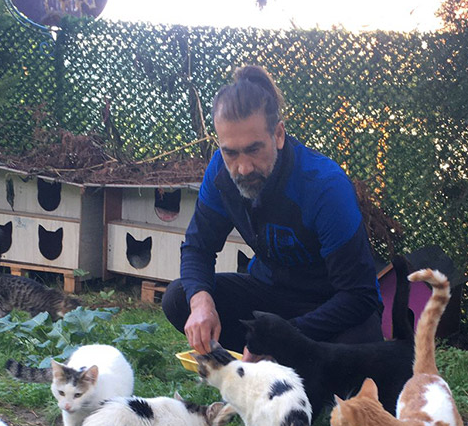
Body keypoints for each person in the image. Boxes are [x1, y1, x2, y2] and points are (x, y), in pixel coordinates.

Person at [162, 65, 383, 358]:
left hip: (330, 304)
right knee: (179, 297)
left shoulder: (324, 186)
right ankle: (264, 360)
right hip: (266, 293)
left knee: (362, 339)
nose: (242, 167)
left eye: (254, 150)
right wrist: (201, 302)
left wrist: (280, 338)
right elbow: (197, 248)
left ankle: (278, 357)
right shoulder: (219, 171)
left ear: (278, 135)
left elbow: (360, 296)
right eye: (230, 152)